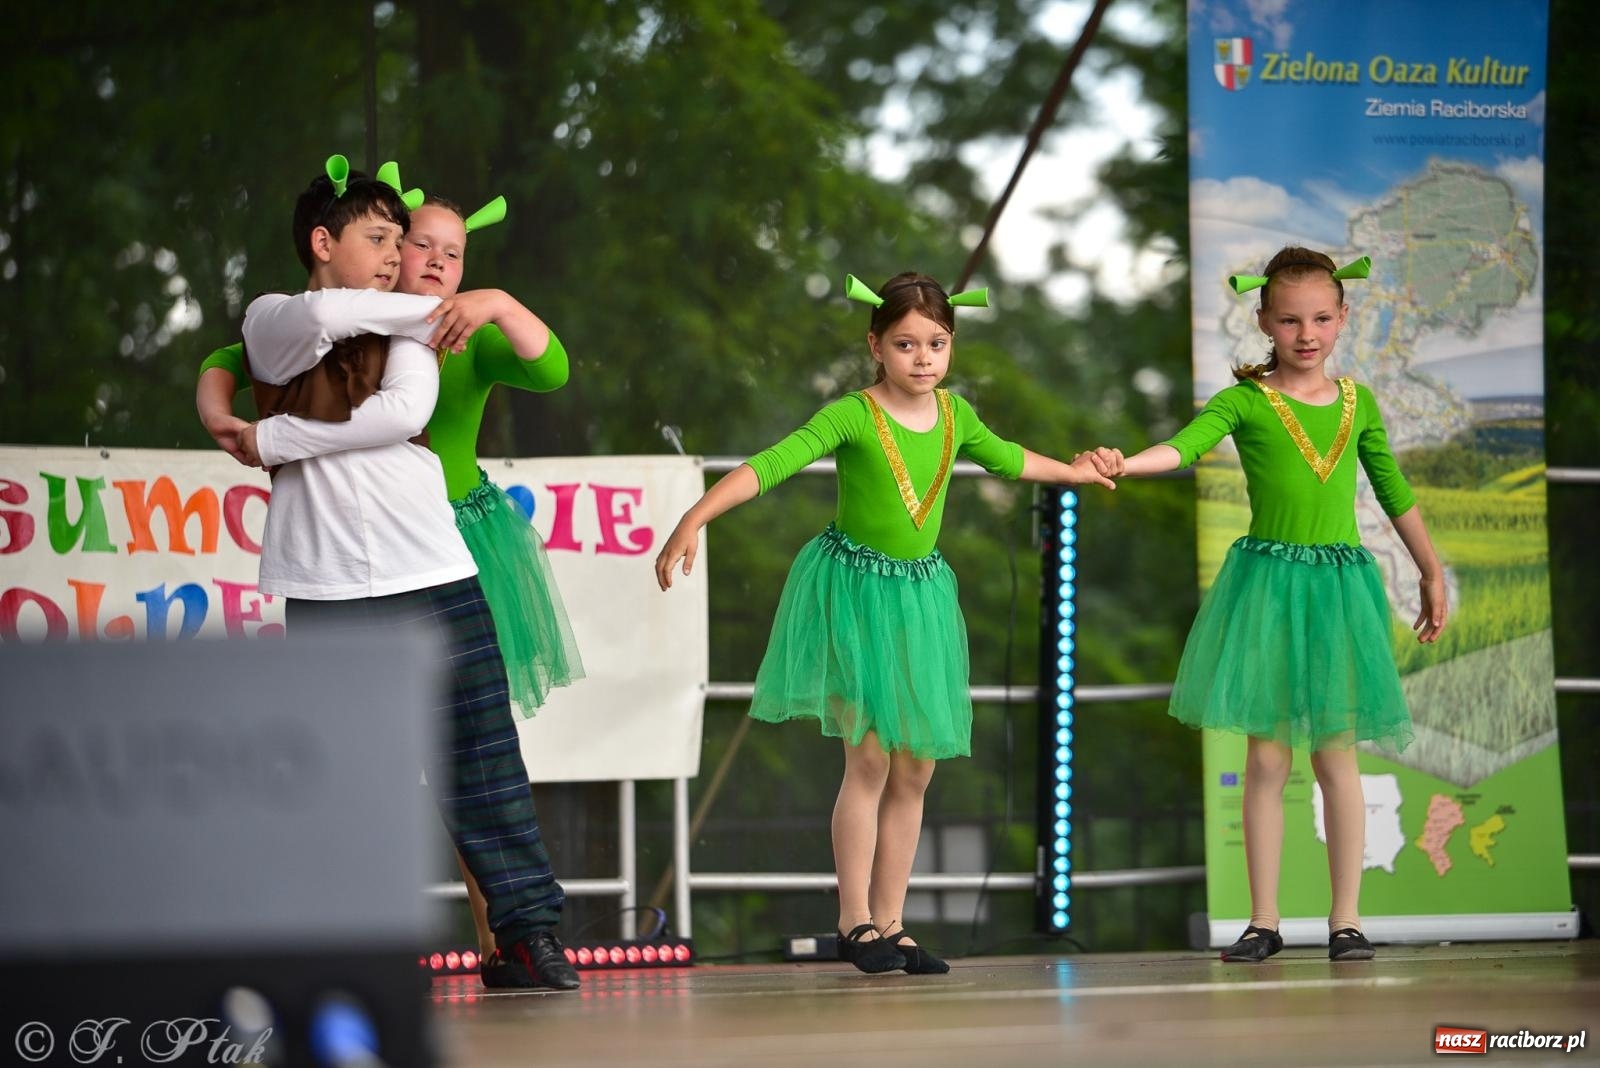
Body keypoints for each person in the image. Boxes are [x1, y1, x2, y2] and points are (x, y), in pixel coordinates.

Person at [654, 272, 1117, 974]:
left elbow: (1010, 458)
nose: (923, 358)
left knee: (917, 766)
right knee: (868, 756)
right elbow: (772, 465)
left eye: (936, 343)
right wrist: (695, 517)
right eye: (905, 344)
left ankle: (894, 922)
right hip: (852, 594)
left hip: (920, 601)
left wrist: (1073, 472)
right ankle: (855, 922)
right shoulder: (852, 414)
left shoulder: (958, 417)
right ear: (876, 345)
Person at [198, 186, 584, 988]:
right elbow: (283, 334)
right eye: (383, 239)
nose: (398, 257)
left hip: (433, 565)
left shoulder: (416, 330)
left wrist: (270, 437)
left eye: (400, 242)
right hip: (322, 578)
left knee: (482, 755)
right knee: (335, 766)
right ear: (320, 242)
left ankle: (525, 934)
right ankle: (345, 944)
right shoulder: (277, 313)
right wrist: (216, 404)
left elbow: (399, 414)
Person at [1089, 247, 1448, 964]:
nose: (1305, 333)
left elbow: (1393, 492)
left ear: (1343, 319)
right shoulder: (1246, 401)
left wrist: (1431, 573)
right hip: (1269, 591)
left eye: (1320, 318)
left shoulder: (1358, 403)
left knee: (1337, 758)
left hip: (1340, 591)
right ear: (1263, 321)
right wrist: (1127, 461)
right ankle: (1263, 920)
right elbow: (1184, 447)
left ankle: (1345, 920)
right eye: (1289, 320)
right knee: (1265, 760)